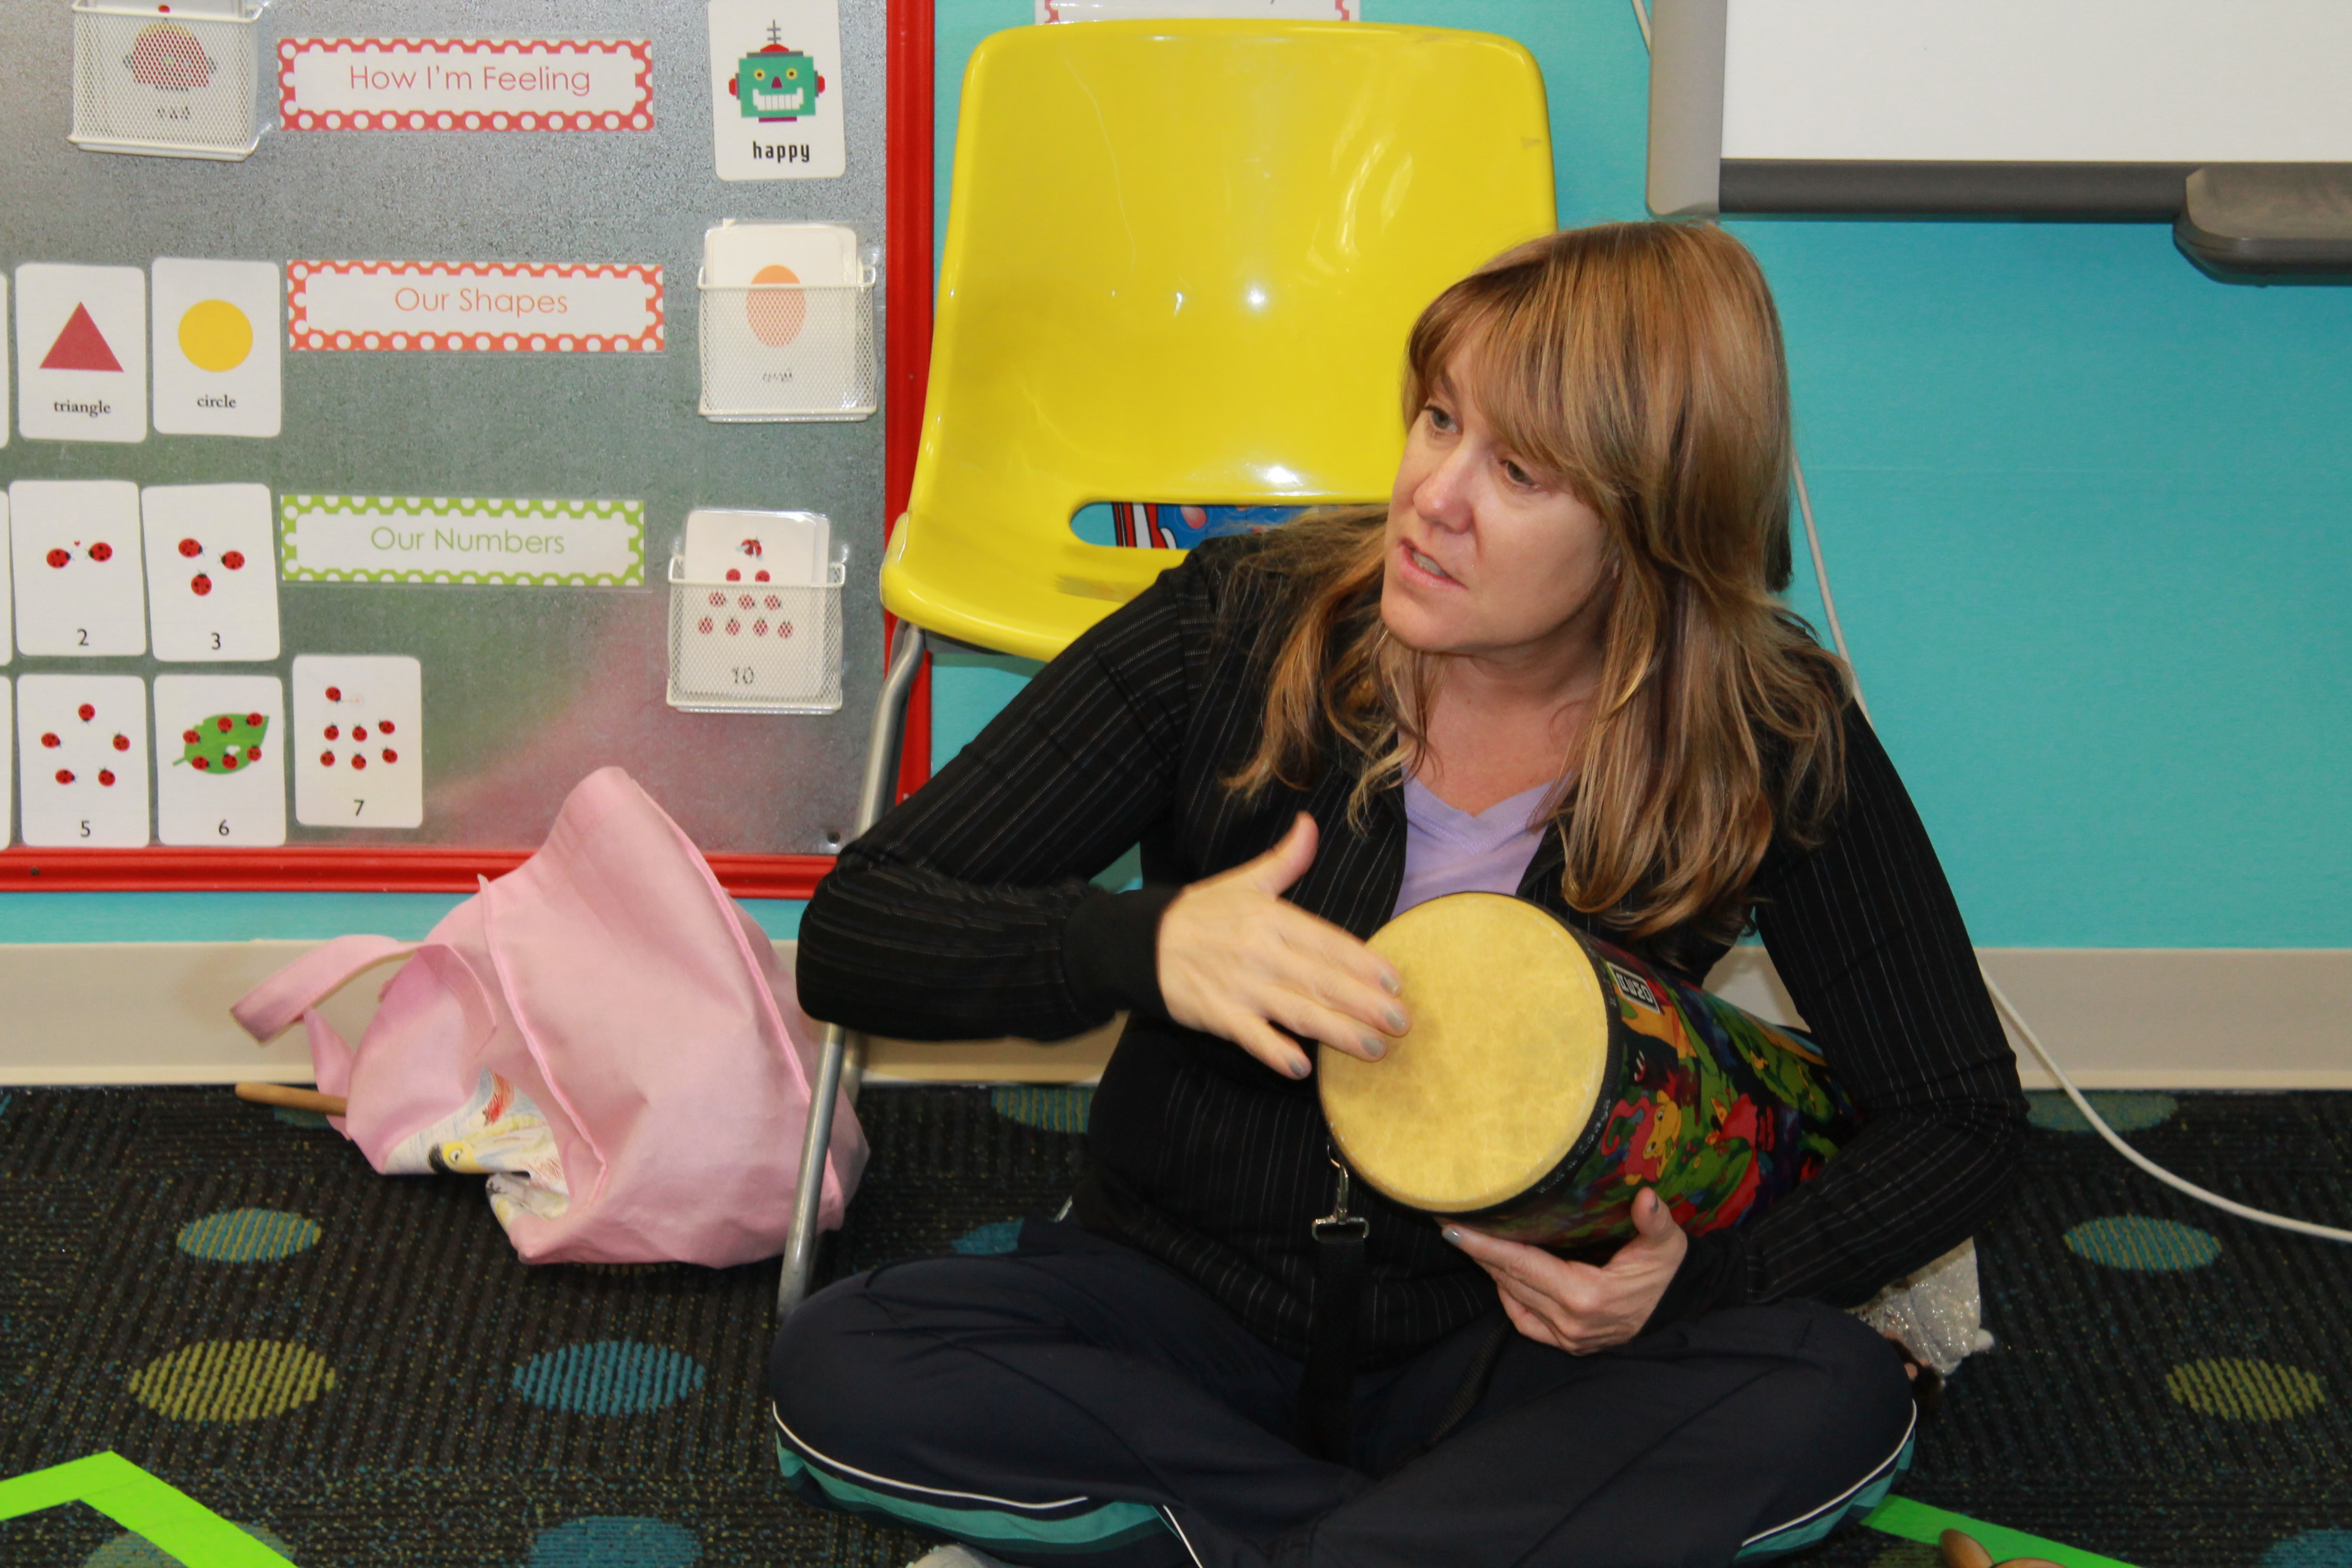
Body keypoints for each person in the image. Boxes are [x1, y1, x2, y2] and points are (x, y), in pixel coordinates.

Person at [769, 222, 2027, 1568]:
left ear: (1650, 529)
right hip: (1177, 1303)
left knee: (1834, 1392)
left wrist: (1697, 1285)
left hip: (1507, 1349)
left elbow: (1959, 1114)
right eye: (1439, 417)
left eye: (1520, 470)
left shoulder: (1764, 728)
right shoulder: (1237, 625)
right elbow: (857, 930)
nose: (1434, 494)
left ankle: (1237, 1541)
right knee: (846, 1360)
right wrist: (1142, 940)